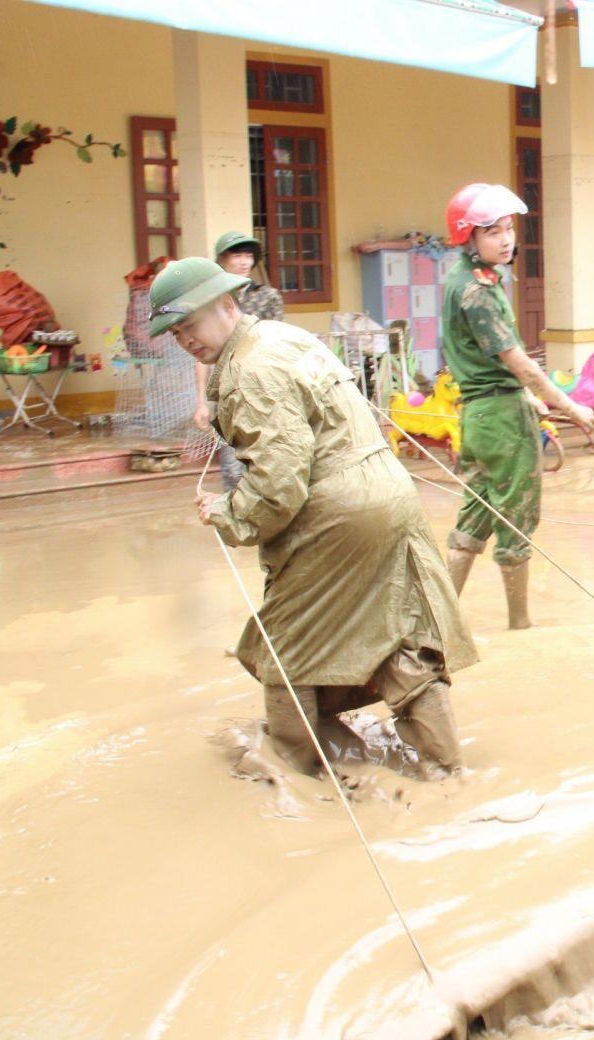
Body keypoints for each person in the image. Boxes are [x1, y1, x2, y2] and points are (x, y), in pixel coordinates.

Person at [152, 256, 477, 781]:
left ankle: (304, 773)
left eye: (190, 323)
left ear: (228, 304)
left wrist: (228, 513)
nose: (184, 339)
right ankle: (448, 770)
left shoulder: (248, 371)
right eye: (175, 331)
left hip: (337, 512)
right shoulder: (285, 336)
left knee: (285, 646)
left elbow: (279, 487)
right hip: (389, 492)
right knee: (397, 629)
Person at [440, 183, 594, 629]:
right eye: (492, 231)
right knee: (516, 517)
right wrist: (573, 408)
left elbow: (487, 361)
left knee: (475, 514)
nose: (505, 239)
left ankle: (441, 621)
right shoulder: (476, 293)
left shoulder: (466, 281)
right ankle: (521, 628)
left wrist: (530, 397)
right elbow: (521, 365)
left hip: (479, 414)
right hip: (502, 419)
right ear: (469, 237)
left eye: (508, 229)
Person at [193, 232, 285, 491]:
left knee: (269, 464)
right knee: (233, 470)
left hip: (263, 390)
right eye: (237, 255)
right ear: (221, 261)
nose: (244, 262)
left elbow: (277, 343)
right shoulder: (210, 302)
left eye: (248, 256)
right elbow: (202, 355)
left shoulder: (267, 297)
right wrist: (201, 402)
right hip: (227, 394)